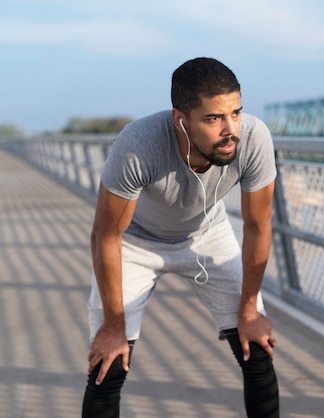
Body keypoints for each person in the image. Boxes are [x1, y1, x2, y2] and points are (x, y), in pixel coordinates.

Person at [81, 57, 279, 418]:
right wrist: (113, 326)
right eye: (213, 118)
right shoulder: (139, 143)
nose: (230, 129)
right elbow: (106, 235)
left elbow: (257, 226)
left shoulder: (252, 138)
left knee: (258, 348)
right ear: (180, 119)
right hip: (135, 242)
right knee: (107, 363)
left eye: (235, 112)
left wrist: (250, 308)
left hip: (207, 232)